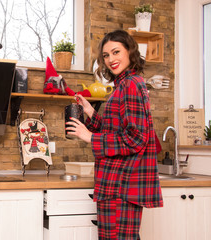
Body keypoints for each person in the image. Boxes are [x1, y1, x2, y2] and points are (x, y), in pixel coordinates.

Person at [66, 29, 163, 239]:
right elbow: (116, 129)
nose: (111, 59)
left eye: (116, 52)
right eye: (106, 55)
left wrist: (90, 136)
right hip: (116, 183)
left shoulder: (131, 85)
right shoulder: (123, 85)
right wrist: (90, 111)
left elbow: (136, 138)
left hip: (122, 185)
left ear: (130, 51)